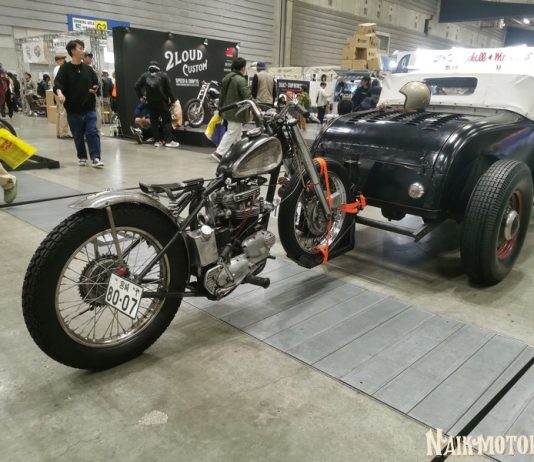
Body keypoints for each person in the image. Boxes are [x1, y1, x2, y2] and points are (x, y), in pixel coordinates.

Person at [53, 39, 104, 168]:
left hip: (89, 107)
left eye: (83, 48)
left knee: (92, 132)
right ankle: (82, 157)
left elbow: (95, 83)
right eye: (80, 48)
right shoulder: (65, 69)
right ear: (72, 51)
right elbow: (58, 84)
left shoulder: (88, 69)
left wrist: (95, 88)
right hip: (73, 109)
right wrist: (60, 93)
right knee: (78, 135)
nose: (83, 51)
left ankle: (96, 158)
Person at [212, 57, 250, 161]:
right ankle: (219, 153)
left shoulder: (227, 77)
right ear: (242, 68)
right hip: (237, 112)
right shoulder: (241, 80)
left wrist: (220, 109)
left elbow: (222, 95)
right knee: (232, 132)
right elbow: (247, 96)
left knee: (238, 134)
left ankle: (238, 153)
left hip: (228, 110)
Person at [134, 60, 179, 148]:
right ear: (158, 67)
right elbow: (169, 90)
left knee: (154, 122)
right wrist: (173, 101)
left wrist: (140, 96)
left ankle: (157, 141)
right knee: (167, 120)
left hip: (150, 103)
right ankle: (168, 141)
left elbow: (136, 86)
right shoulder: (163, 75)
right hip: (161, 102)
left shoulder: (145, 75)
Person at [53, 52, 71, 138]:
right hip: (61, 92)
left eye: (63, 59)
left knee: (59, 112)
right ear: (58, 61)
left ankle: (59, 132)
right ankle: (63, 133)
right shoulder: (60, 68)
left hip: (57, 92)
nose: (63, 61)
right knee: (63, 112)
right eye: (61, 59)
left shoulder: (56, 68)